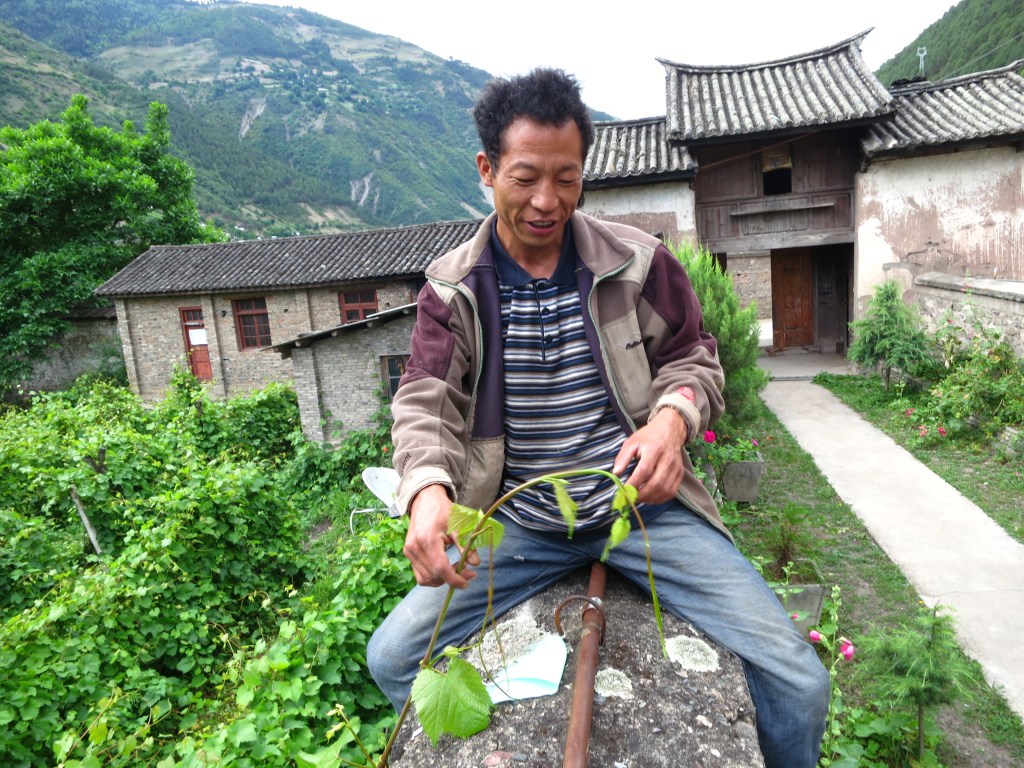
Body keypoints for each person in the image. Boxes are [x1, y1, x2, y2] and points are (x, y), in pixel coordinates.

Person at [367, 68, 829, 768]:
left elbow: (694, 359)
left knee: (799, 677)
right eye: (525, 178)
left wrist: (671, 422)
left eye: (568, 178)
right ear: (487, 170)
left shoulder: (638, 264)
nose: (547, 201)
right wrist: (428, 491)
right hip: (521, 523)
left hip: (643, 513)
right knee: (394, 655)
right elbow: (427, 398)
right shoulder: (452, 290)